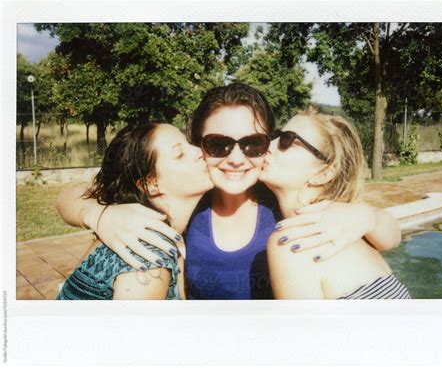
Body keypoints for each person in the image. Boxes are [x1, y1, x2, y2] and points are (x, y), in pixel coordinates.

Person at [56, 83, 401, 300]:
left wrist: (367, 215)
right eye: (219, 144)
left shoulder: (287, 202)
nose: (236, 159)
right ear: (199, 146)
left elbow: (389, 237)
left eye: (252, 144)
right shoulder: (185, 203)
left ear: (268, 146)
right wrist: (100, 214)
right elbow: (71, 196)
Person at [260, 108, 410, 299]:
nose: (269, 145)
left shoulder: (295, 242)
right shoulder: (356, 231)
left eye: (287, 140)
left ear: (324, 173)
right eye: (275, 136)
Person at [57, 122, 213, 300]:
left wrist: (100, 214)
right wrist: (98, 215)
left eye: (188, 143)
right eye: (179, 154)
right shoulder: (146, 259)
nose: (199, 151)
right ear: (151, 184)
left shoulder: (129, 224)